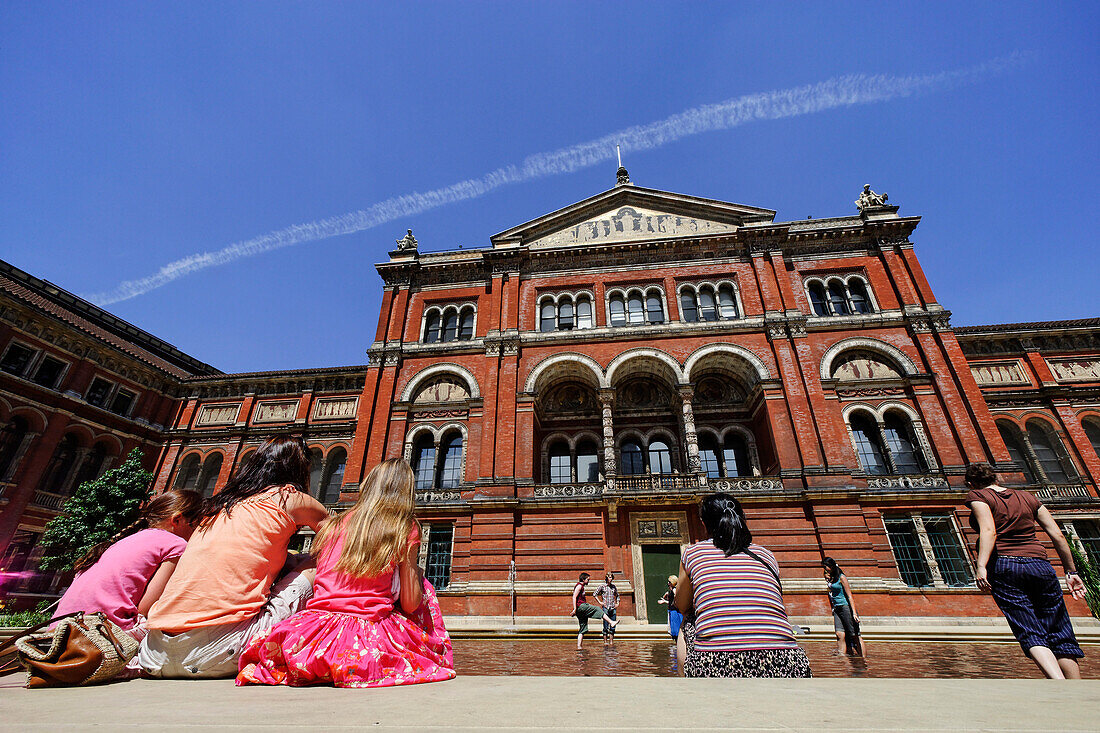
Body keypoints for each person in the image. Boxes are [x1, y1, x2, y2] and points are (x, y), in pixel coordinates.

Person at [237, 458, 455, 687]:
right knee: (422, 585)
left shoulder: (333, 525)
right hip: (363, 641)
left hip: (309, 636)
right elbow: (411, 604)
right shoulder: (403, 527)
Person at [138, 436, 329, 678]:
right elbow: (346, 540)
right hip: (217, 652)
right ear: (300, 469)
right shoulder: (289, 498)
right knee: (317, 561)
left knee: (294, 560)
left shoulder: (217, 507)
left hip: (154, 652)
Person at [965, 463, 1086, 679]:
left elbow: (988, 530)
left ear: (971, 483)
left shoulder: (979, 496)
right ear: (997, 479)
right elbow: (1057, 535)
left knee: (1029, 629)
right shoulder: (1029, 497)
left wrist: (981, 566)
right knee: (1059, 629)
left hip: (1005, 565)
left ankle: (1059, 683)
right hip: (1040, 565)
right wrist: (1071, 571)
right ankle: (1078, 689)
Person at [675, 493, 811, 678]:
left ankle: (687, 688)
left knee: (687, 619)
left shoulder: (693, 553)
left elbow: (681, 605)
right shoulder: (767, 555)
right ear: (742, 519)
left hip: (717, 665)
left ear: (704, 523)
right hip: (789, 665)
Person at [56, 489, 203, 644]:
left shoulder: (128, 539)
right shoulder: (177, 545)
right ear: (177, 519)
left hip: (61, 631)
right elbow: (146, 609)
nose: (197, 533)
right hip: (103, 637)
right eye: (196, 526)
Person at [822, 557, 863, 657]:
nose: (825, 569)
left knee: (855, 635)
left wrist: (854, 612)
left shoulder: (842, 577)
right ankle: (842, 659)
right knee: (839, 634)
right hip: (837, 608)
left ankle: (863, 659)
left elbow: (849, 595)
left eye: (826, 566)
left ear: (831, 566)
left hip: (845, 607)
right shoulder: (832, 578)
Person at [570, 572, 618, 650]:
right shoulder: (579, 586)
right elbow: (574, 597)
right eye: (588, 579)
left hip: (580, 609)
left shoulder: (581, 586)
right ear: (583, 579)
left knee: (583, 628)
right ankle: (611, 622)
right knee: (597, 609)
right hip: (581, 606)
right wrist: (575, 609)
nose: (589, 581)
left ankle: (579, 647)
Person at [593, 571, 620, 645]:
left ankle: (611, 641)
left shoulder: (613, 587)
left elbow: (617, 595)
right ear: (606, 578)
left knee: (613, 626)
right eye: (609, 577)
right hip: (605, 608)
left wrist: (617, 603)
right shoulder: (602, 586)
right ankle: (605, 642)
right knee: (605, 625)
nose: (610, 579)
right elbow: (594, 594)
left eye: (611, 577)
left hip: (612, 608)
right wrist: (600, 602)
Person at [657, 574, 682, 640]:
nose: (668, 583)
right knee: (672, 630)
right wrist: (667, 594)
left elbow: (676, 602)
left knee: (675, 631)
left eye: (669, 582)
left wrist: (664, 601)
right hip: (671, 611)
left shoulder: (674, 590)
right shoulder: (671, 591)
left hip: (675, 612)